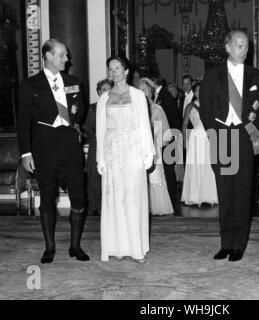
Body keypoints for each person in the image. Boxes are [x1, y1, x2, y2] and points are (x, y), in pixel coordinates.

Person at [199, 30, 259, 262]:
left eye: (247, 46)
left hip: (243, 137)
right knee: (224, 191)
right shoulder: (212, 75)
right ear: (227, 47)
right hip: (220, 136)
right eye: (239, 45)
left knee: (241, 192)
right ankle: (225, 243)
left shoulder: (257, 76)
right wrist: (213, 134)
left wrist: (248, 129)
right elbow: (206, 108)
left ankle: (239, 244)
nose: (244, 50)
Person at [17, 39, 89, 263]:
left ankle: (75, 246)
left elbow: (82, 110)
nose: (67, 59)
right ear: (48, 56)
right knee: (47, 197)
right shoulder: (31, 85)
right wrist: (26, 153)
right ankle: (49, 247)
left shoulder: (74, 82)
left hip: (69, 144)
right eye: (61, 55)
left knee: (78, 196)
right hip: (44, 146)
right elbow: (23, 122)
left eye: (66, 55)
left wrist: (74, 116)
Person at [96, 56, 155, 263]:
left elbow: (144, 127)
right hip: (112, 154)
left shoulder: (138, 95)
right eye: (110, 69)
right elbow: (100, 131)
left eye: (118, 68)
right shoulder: (104, 98)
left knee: (133, 199)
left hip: (132, 152)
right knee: (114, 200)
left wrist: (147, 154)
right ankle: (117, 247)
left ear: (126, 71)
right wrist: (100, 159)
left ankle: (136, 248)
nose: (114, 72)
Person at [138, 77, 174, 216]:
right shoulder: (136, 109)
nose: (142, 92)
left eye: (144, 90)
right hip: (139, 149)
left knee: (155, 177)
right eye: (139, 90)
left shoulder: (157, 109)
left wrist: (155, 145)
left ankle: (157, 206)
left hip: (153, 148)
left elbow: (164, 133)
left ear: (151, 92)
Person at [181, 82, 218, 207]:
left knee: (209, 165)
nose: (199, 93)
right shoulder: (190, 106)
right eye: (197, 91)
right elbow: (185, 125)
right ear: (195, 92)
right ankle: (195, 196)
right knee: (196, 165)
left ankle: (210, 196)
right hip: (196, 137)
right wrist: (185, 142)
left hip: (208, 137)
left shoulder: (211, 105)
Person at [152, 77, 182, 213]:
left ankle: (171, 199)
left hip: (166, 138)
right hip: (161, 138)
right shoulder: (160, 96)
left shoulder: (165, 96)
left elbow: (173, 118)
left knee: (168, 171)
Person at [84, 79, 112, 216]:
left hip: (112, 147)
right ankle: (94, 207)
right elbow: (87, 130)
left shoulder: (116, 106)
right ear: (99, 92)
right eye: (102, 90)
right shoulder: (93, 108)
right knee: (94, 179)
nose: (105, 92)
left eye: (108, 89)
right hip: (96, 146)